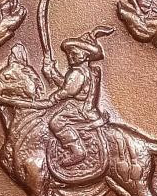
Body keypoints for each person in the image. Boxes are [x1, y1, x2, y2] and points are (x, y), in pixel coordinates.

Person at [41, 26, 114, 166]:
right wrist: (51, 72)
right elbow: (68, 84)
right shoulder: (87, 71)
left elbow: (68, 91)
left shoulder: (77, 73)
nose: (70, 56)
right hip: (84, 108)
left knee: (56, 123)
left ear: (85, 55)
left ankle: (77, 151)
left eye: (74, 53)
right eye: (69, 54)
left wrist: (53, 98)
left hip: (79, 109)